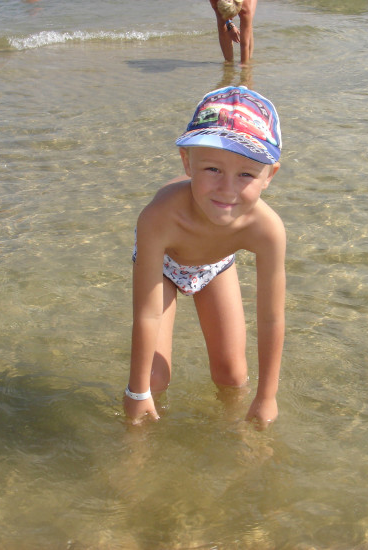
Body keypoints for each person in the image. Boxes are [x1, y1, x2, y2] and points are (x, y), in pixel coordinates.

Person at [125, 86, 285, 430]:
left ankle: (234, 432)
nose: (227, 189)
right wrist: (136, 393)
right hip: (164, 264)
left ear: (269, 176)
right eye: (212, 168)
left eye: (246, 174)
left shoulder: (267, 229)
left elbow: (271, 318)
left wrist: (266, 396)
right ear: (187, 162)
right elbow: (147, 313)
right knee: (153, 379)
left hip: (215, 263)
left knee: (232, 375)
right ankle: (139, 442)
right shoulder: (159, 217)